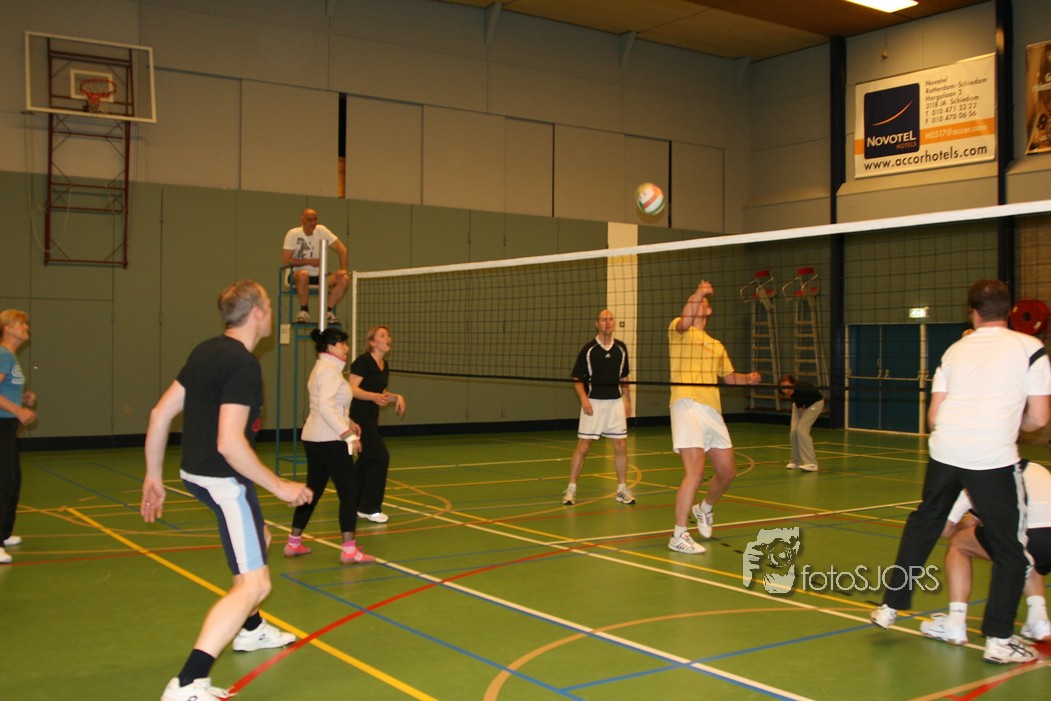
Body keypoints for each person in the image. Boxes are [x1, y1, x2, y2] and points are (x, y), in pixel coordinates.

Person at [142, 280, 314, 701]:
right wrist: (279, 487)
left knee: (260, 538)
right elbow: (230, 444)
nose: (271, 311)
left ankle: (251, 630)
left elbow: (160, 413)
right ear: (256, 313)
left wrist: (153, 476)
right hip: (223, 481)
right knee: (254, 586)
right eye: (268, 304)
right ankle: (188, 682)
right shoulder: (242, 364)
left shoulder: (206, 350)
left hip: (195, 474)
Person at [871, 279, 1051, 665]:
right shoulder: (1031, 349)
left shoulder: (954, 350)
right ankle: (999, 639)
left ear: (973, 312)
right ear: (1010, 312)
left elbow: (934, 418)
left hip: (946, 450)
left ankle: (890, 605)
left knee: (925, 523)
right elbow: (1039, 419)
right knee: (1011, 549)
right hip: (991, 456)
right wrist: (1008, 422)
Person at [667, 280, 761, 555]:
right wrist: (700, 292)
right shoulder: (679, 330)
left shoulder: (717, 345)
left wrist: (748, 378)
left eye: (703, 302)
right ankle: (679, 535)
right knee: (695, 472)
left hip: (712, 410)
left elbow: (730, 378)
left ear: (709, 311)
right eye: (696, 301)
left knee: (727, 472)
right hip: (686, 403)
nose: (699, 304)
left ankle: (704, 508)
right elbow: (686, 317)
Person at [920, 460, 1051, 646]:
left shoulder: (981, 478)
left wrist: (955, 528)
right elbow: (973, 521)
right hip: (1044, 541)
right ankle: (1039, 621)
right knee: (1028, 558)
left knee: (959, 545)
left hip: (1029, 535)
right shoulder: (1035, 469)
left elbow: (945, 530)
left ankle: (955, 623)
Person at [284, 327, 375, 565]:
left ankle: (293, 542)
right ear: (331, 346)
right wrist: (348, 435)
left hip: (315, 438)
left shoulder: (324, 369)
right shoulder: (329, 372)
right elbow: (325, 407)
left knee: (313, 491)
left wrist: (349, 421)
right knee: (349, 493)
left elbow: (331, 406)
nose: (346, 348)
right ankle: (349, 550)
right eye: (342, 344)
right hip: (329, 441)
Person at [562, 309, 634, 506]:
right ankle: (571, 489)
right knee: (583, 446)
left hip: (615, 403)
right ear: (597, 323)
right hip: (594, 403)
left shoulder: (621, 348)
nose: (607, 322)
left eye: (610, 319)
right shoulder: (589, 349)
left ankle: (621, 489)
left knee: (621, 446)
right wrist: (584, 399)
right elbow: (577, 378)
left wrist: (628, 402)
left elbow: (624, 378)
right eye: (604, 319)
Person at [350, 325, 406, 524]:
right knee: (381, 457)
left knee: (367, 460)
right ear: (372, 342)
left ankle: (352, 502)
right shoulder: (363, 361)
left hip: (372, 417)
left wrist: (396, 397)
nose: (387, 338)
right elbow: (351, 389)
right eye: (382, 335)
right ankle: (369, 508)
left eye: (388, 335)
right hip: (358, 418)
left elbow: (381, 393)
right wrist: (373, 396)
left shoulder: (384, 364)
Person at [0, 310, 36, 565]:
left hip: (7, 425)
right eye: (21, 324)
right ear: (7, 328)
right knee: (3, 483)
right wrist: (19, 411)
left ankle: (5, 532)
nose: (26, 327)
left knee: (13, 481)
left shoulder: (10, 356)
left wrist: (22, 398)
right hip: (1, 426)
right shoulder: (3, 354)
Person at [282, 208, 349, 325]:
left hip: (320, 276)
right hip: (298, 274)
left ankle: (327, 311)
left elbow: (341, 249)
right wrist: (309, 261)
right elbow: (286, 260)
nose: (313, 223)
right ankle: (304, 310)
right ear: (302, 221)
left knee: (345, 279)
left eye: (315, 220)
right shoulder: (293, 234)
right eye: (309, 220)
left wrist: (343, 270)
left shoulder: (322, 231)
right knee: (303, 275)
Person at [778, 374, 824, 472]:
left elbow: (812, 397)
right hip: (800, 404)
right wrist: (800, 407)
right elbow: (796, 400)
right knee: (794, 431)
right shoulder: (789, 392)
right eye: (783, 386)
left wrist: (803, 407)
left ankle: (811, 463)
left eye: (787, 386)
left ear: (793, 384)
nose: (785, 389)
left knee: (801, 430)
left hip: (815, 403)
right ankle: (795, 461)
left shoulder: (802, 389)